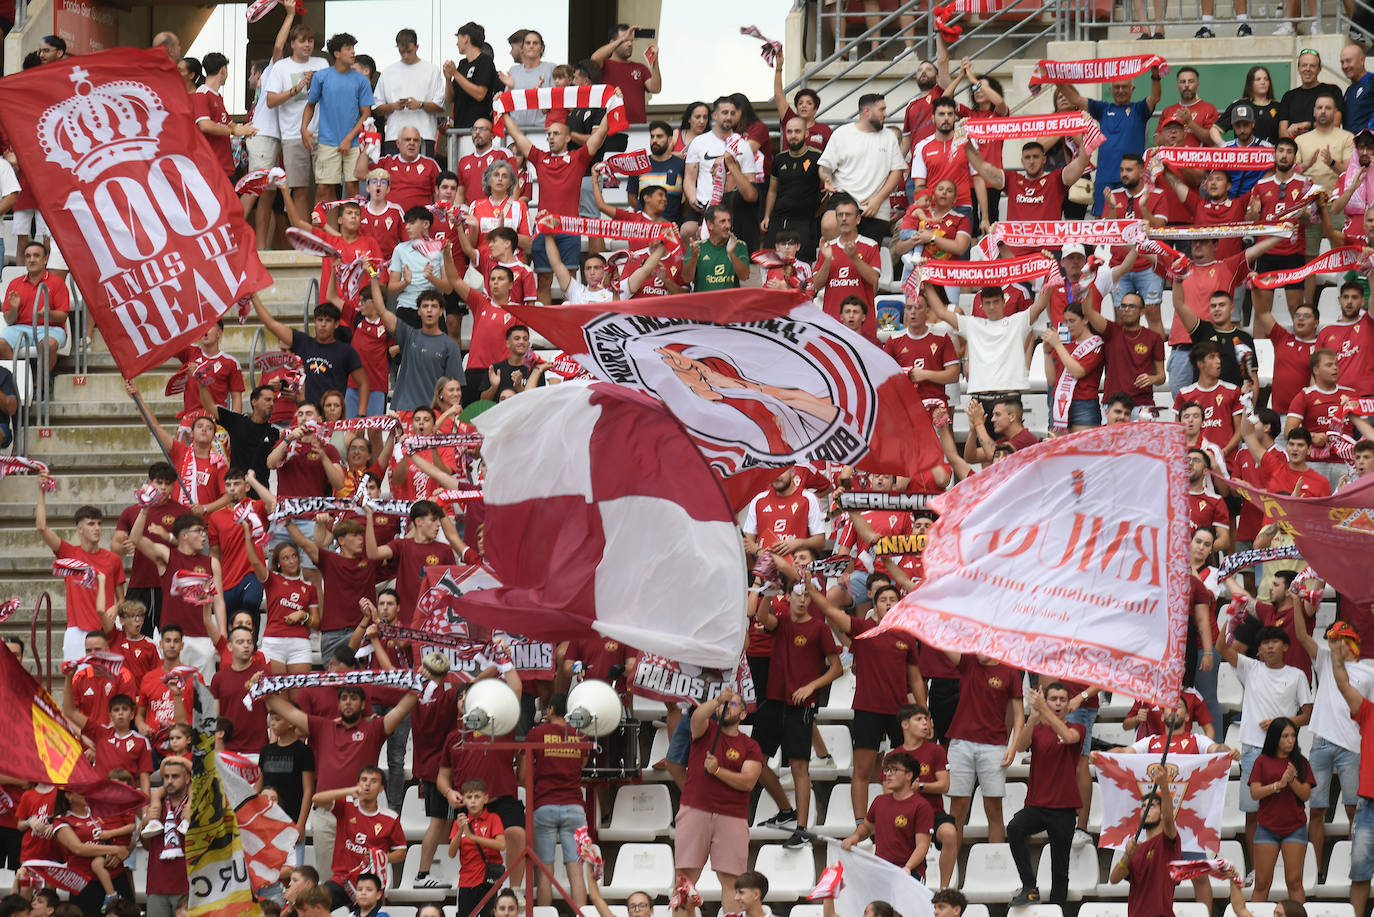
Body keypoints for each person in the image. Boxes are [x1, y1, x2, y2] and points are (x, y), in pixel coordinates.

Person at [263, 686, 417, 876]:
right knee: (329, 878)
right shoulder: (323, 727)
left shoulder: (373, 729)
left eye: (353, 698)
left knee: (363, 877)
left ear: (362, 705)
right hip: (325, 813)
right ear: (338, 704)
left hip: (360, 814)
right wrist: (265, 690)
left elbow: (401, 710)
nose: (347, 702)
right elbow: (289, 712)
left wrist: (420, 684)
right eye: (343, 698)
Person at [1217, 625, 1314, 856]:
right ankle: (1255, 867)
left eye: (1274, 641)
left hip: (1285, 751)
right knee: (1253, 812)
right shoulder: (1250, 667)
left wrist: (1281, 723)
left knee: (1287, 809)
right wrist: (1230, 619)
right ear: (1258, 649)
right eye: (1264, 643)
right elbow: (1221, 647)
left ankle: (1284, 863)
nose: (1269, 646)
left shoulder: (1297, 675)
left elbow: (1308, 715)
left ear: (1285, 646)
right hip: (1252, 749)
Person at [501, 110, 609, 305]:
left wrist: (612, 107)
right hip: (544, 229)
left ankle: (570, 330)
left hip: (569, 229)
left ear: (568, 137)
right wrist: (504, 112)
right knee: (543, 281)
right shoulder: (540, 157)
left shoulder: (578, 158)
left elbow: (600, 135)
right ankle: (544, 333)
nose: (550, 137)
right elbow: (516, 135)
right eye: (548, 134)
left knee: (570, 283)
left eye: (555, 133)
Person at [673, 687, 763, 917]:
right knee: (684, 880)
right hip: (695, 809)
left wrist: (717, 770)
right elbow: (697, 716)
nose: (725, 707)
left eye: (733, 704)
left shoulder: (750, 745)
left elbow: (747, 782)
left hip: (732, 815)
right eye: (724, 704)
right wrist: (717, 699)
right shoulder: (706, 730)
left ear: (743, 714)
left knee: (734, 883)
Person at [1006, 684, 1087, 907]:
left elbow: (1069, 737)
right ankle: (1029, 887)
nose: (1058, 703)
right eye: (1053, 699)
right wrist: (1033, 717)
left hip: (1064, 806)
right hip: (1037, 804)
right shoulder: (1038, 729)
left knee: (1060, 868)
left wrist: (1045, 711)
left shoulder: (1078, 727)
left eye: (1062, 699)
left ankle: (1056, 911)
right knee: (1014, 828)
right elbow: (1021, 746)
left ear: (1068, 703)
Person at [942, 648, 1024, 851]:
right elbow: (943, 644)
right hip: (961, 743)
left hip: (994, 745)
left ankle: (996, 869)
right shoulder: (968, 661)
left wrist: (1013, 746)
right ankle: (950, 872)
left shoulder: (1010, 672)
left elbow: (1019, 715)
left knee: (993, 809)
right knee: (957, 809)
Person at [35, 478, 124, 662]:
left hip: (105, 630)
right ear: (80, 529)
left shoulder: (113, 560)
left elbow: (122, 599)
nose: (97, 528)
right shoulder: (68, 553)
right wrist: (41, 491)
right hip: (76, 630)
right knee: (74, 681)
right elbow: (42, 527)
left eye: (99, 524)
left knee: (106, 683)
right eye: (91, 524)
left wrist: (116, 607)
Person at [1058, 67, 1161, 214]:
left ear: (1132, 89)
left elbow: (1155, 97)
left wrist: (1155, 76)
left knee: (1132, 220)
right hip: (1105, 178)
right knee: (1102, 222)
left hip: (1132, 178)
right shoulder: (1103, 108)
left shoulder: (1139, 109)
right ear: (1111, 89)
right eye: (1116, 87)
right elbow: (1075, 99)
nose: (1120, 90)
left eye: (1124, 87)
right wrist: (1057, 80)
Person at [310, 767, 406, 911]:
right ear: (358, 783)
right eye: (364, 780)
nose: (367, 784)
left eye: (374, 781)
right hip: (343, 879)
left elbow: (401, 852)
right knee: (313, 903)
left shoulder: (390, 818)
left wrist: (379, 857)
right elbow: (316, 798)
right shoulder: (347, 805)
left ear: (381, 788)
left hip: (370, 883)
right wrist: (349, 791)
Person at [524, 693, 589, 906]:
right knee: (576, 871)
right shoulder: (581, 736)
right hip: (574, 806)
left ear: (550, 709)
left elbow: (524, 775)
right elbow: (581, 765)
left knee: (545, 872)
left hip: (545, 805)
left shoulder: (536, 733)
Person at [817, 93, 906, 243]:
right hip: (844, 195)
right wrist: (826, 179)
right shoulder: (841, 133)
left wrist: (878, 200)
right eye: (882, 109)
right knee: (830, 224)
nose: (886, 113)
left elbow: (896, 172)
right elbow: (825, 166)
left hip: (876, 206)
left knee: (866, 257)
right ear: (867, 111)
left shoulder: (889, 137)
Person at [254, 296, 367, 411]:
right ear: (314, 322)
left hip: (332, 415)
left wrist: (361, 414)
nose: (323, 324)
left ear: (336, 324)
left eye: (328, 320)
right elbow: (271, 324)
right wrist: (254, 297)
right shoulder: (303, 343)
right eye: (320, 320)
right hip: (308, 414)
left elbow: (363, 383)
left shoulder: (346, 351)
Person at [1249, 717, 1315, 902]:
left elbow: (1306, 795)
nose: (1290, 740)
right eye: (1285, 736)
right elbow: (1255, 793)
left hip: (1295, 828)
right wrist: (1278, 785)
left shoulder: (1301, 762)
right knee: (1261, 883)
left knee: (1294, 882)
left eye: (1293, 735)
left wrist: (1291, 780)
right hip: (1267, 828)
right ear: (1275, 738)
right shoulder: (1262, 761)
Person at [303, 33, 374, 203]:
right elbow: (310, 105)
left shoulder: (361, 81)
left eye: (353, 48)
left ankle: (350, 229)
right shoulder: (321, 77)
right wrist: (303, 129)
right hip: (327, 141)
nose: (353, 52)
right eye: (348, 49)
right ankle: (322, 230)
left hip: (355, 143)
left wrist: (349, 139)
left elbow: (366, 114)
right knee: (323, 190)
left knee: (352, 189)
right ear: (337, 54)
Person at [841, 750, 933, 878]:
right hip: (881, 871)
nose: (888, 774)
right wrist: (854, 837)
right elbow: (867, 827)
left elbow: (923, 845)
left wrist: (908, 867)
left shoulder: (921, 806)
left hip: (909, 874)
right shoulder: (880, 801)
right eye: (887, 770)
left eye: (894, 770)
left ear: (909, 775)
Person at [682, 96, 760, 240]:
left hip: (731, 206)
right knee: (687, 231)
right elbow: (689, 178)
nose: (729, 117)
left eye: (732, 113)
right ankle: (695, 262)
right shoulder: (699, 142)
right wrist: (693, 200)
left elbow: (751, 182)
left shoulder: (743, 145)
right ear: (715, 115)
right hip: (704, 204)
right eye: (725, 113)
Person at [1108, 771, 1180, 915]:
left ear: (1161, 813)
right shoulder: (1136, 849)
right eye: (1143, 806)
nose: (1145, 810)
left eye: (1151, 806)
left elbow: (1168, 819)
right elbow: (1114, 879)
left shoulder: (1168, 841)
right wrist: (1127, 856)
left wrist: (1164, 786)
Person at [813, 194, 881, 340]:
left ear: (857, 219)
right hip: (832, 325)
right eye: (840, 215)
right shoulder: (827, 247)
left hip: (863, 327)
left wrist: (854, 257)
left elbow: (873, 279)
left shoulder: (870, 245)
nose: (844, 218)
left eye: (848, 215)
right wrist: (827, 260)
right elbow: (816, 284)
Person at [0, 239, 69, 375]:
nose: (31, 260)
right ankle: (21, 381)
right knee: (0, 345)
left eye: (36, 256)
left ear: (45, 260)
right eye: (28, 256)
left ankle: (41, 384)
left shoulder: (57, 282)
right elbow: (9, 320)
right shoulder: (15, 283)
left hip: (51, 328)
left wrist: (48, 314)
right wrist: (14, 309)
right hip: (20, 327)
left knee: (48, 345)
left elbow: (63, 316)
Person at [372, 29, 444, 156]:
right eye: (401, 52)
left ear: (417, 47)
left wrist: (420, 104)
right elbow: (376, 108)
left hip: (424, 135)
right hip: (395, 136)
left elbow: (440, 106)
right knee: (394, 175)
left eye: (409, 51)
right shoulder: (388, 72)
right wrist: (393, 106)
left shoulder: (432, 70)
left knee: (423, 175)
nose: (405, 55)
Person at [762, 116, 824, 260]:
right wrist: (766, 216)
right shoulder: (779, 159)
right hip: (778, 219)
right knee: (771, 262)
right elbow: (772, 191)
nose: (793, 136)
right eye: (789, 132)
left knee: (802, 264)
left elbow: (827, 186)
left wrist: (818, 211)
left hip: (804, 220)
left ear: (806, 133)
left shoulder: (817, 156)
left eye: (797, 131)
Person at [1041, 302, 1106, 432]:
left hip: (1084, 404)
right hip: (1060, 403)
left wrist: (1057, 345)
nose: (1069, 326)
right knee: (1059, 451)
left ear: (1086, 319)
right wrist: (1047, 353)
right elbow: (1052, 380)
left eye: (1072, 321)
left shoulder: (1096, 344)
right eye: (1066, 321)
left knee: (1083, 450)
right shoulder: (1066, 346)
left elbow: (1078, 372)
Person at [194, 53, 256, 182]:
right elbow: (204, 125)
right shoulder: (202, 94)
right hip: (210, 168)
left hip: (224, 166)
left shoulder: (217, 96)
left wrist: (244, 129)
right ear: (223, 69)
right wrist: (234, 131)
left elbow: (229, 123)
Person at [591, 24, 661, 126]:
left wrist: (655, 59)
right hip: (611, 127)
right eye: (625, 40)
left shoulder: (640, 68)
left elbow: (656, 88)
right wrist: (622, 39)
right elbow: (594, 58)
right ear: (613, 42)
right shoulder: (605, 64)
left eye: (631, 41)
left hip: (638, 128)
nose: (629, 44)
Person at [359, 127, 441, 213]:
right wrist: (369, 143)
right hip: (390, 219)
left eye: (416, 140)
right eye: (407, 139)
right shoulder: (387, 162)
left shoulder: (431, 164)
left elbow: (439, 197)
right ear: (398, 143)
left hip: (420, 221)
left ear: (419, 144)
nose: (412, 143)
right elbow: (360, 174)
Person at [1316, 282, 1374, 400]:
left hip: (1367, 397)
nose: (1349, 301)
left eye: (1354, 297)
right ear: (1339, 300)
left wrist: (1371, 274)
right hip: (1336, 398)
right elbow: (1317, 369)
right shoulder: (1325, 332)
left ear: (1363, 301)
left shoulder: (1369, 323)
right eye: (1346, 297)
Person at [444, 22, 497, 133]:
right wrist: (448, 79)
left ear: (466, 38)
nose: (457, 44)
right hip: (459, 128)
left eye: (458, 39)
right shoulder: (462, 64)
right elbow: (450, 99)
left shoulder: (485, 61)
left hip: (479, 130)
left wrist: (456, 74)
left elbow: (480, 94)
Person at [1279, 50, 1344, 139]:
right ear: (1298, 68)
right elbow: (1283, 134)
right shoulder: (1288, 96)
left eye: (1312, 66)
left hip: (1325, 148)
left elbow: (1335, 125)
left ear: (1319, 69)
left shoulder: (1332, 91)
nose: (1308, 69)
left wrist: (1307, 125)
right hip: (1297, 150)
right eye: (1304, 65)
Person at [683, 205, 750, 291]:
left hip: (730, 303)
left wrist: (732, 254)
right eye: (722, 221)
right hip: (704, 303)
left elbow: (744, 276)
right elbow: (687, 279)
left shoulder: (739, 245)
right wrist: (693, 258)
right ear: (710, 225)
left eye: (729, 221)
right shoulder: (697, 247)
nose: (728, 225)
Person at [503, 30, 555, 133]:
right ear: (522, 48)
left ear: (542, 48)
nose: (531, 46)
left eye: (535, 43)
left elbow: (557, 101)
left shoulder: (550, 68)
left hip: (542, 131)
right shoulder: (513, 70)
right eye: (528, 43)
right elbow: (506, 103)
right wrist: (507, 90)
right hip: (516, 130)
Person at [1156, 67, 1222, 146]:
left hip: (1198, 158)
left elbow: (1212, 140)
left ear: (1197, 85)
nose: (1187, 85)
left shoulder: (1209, 109)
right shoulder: (1168, 111)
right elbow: (1157, 142)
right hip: (1172, 158)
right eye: (1183, 82)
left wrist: (1189, 122)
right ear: (1177, 86)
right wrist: (1172, 130)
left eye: (1191, 81)